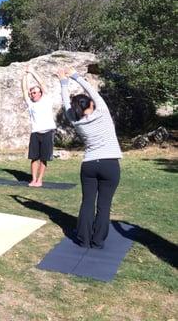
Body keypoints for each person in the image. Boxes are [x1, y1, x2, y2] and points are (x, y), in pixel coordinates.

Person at [58, 66, 122, 249]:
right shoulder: (102, 112)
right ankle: (97, 240)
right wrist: (75, 76)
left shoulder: (75, 120)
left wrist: (63, 82)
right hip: (109, 164)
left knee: (87, 202)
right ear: (91, 104)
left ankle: (84, 239)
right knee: (104, 204)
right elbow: (92, 91)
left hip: (89, 164)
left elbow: (65, 103)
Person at [21, 67, 56, 187]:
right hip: (35, 133)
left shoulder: (46, 99)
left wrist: (32, 72)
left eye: (34, 92)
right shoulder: (31, 104)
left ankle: (40, 180)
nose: (32, 94)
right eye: (32, 93)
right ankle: (33, 179)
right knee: (34, 158)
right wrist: (25, 75)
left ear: (40, 93)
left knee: (43, 158)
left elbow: (42, 83)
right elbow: (24, 90)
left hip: (48, 132)